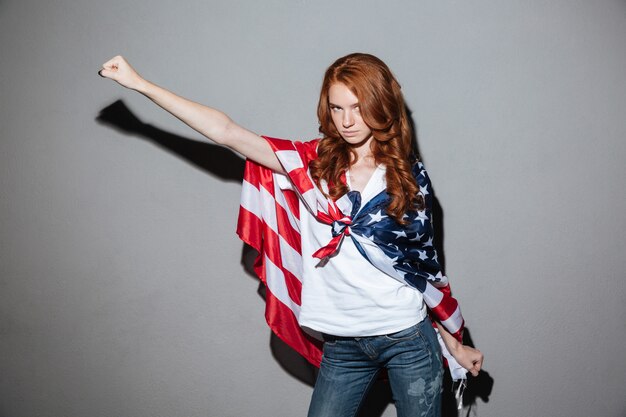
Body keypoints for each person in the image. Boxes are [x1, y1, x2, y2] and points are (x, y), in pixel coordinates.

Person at [99, 53, 483, 417]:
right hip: (343, 345)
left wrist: (454, 342)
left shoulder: (407, 177)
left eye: (357, 106)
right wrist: (139, 84)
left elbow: (423, 269)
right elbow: (227, 132)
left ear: (380, 105)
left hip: (409, 340)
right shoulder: (309, 166)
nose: (347, 120)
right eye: (337, 108)